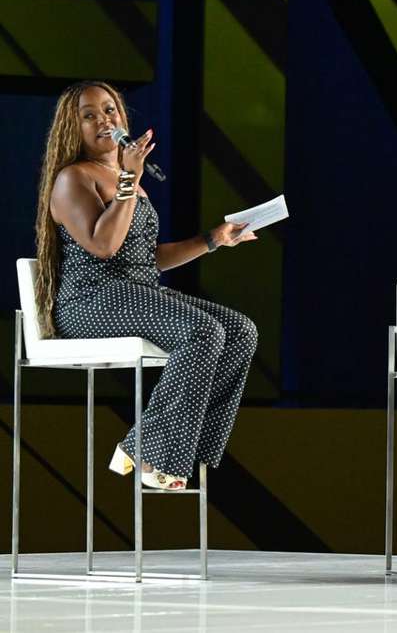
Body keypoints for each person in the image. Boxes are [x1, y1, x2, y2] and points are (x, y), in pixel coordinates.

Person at [33, 81, 258, 491]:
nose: (104, 120)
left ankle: (178, 451)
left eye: (110, 110)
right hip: (91, 300)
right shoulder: (73, 178)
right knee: (202, 331)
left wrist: (214, 239)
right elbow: (104, 246)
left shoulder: (125, 179)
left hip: (137, 293)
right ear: (72, 128)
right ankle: (152, 453)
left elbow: (145, 258)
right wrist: (128, 179)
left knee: (241, 331)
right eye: (89, 115)